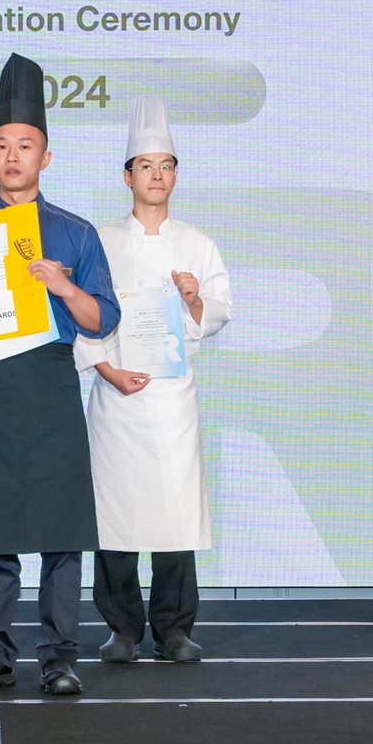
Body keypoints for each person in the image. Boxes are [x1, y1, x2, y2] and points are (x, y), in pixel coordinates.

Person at [0, 53, 121, 697]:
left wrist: (64, 287)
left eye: (24, 145)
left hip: (51, 386)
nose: (12, 156)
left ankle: (59, 656)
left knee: (60, 531)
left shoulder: (75, 233)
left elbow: (103, 319)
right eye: (1, 145)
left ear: (46, 157)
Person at [76, 97, 231, 664]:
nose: (157, 175)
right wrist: (107, 370)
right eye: (146, 166)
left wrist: (194, 299)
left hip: (171, 399)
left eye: (166, 166)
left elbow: (218, 314)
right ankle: (121, 628)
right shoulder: (100, 240)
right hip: (116, 398)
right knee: (114, 515)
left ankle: (173, 629)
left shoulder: (198, 243)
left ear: (175, 175)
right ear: (127, 176)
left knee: (174, 514)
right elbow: (81, 315)